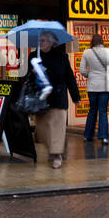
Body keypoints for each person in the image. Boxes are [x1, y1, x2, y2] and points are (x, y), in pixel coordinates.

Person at [33, 33, 80, 169]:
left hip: (58, 97)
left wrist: (75, 96)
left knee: (57, 128)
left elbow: (69, 77)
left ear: (52, 42)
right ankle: (52, 149)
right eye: (39, 40)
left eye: (44, 41)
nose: (41, 43)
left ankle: (57, 155)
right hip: (41, 98)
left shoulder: (61, 56)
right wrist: (33, 73)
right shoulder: (34, 57)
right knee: (42, 130)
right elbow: (26, 78)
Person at [79, 32, 109, 143]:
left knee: (92, 110)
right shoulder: (108, 51)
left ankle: (87, 135)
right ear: (102, 41)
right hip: (105, 86)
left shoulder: (86, 52)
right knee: (103, 110)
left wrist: (90, 76)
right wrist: (107, 75)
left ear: (92, 42)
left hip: (92, 87)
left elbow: (82, 70)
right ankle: (104, 137)